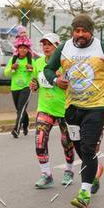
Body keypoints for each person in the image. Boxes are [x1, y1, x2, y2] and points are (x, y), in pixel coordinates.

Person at [43, 13, 104, 208]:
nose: (80, 34)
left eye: (84, 31)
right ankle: (94, 172)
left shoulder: (102, 47)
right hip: (72, 107)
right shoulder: (64, 48)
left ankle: (84, 193)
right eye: (77, 30)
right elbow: (48, 69)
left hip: (96, 106)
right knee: (81, 149)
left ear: (91, 32)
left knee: (89, 149)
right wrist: (55, 80)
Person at [30, 32, 75, 188]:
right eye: (44, 44)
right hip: (45, 107)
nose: (46, 47)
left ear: (57, 46)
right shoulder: (38, 63)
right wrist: (34, 85)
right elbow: (35, 82)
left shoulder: (65, 63)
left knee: (67, 142)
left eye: (50, 44)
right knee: (40, 139)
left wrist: (61, 79)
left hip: (65, 109)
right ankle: (46, 175)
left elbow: (74, 85)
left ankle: (69, 170)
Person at [4, 33, 34, 137]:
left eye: (25, 48)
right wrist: (12, 67)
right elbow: (6, 73)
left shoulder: (31, 60)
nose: (23, 50)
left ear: (28, 49)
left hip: (26, 87)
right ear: (18, 49)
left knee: (21, 108)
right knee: (20, 109)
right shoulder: (13, 59)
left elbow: (36, 74)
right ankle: (26, 122)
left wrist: (31, 68)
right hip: (15, 88)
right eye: (21, 48)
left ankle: (16, 129)